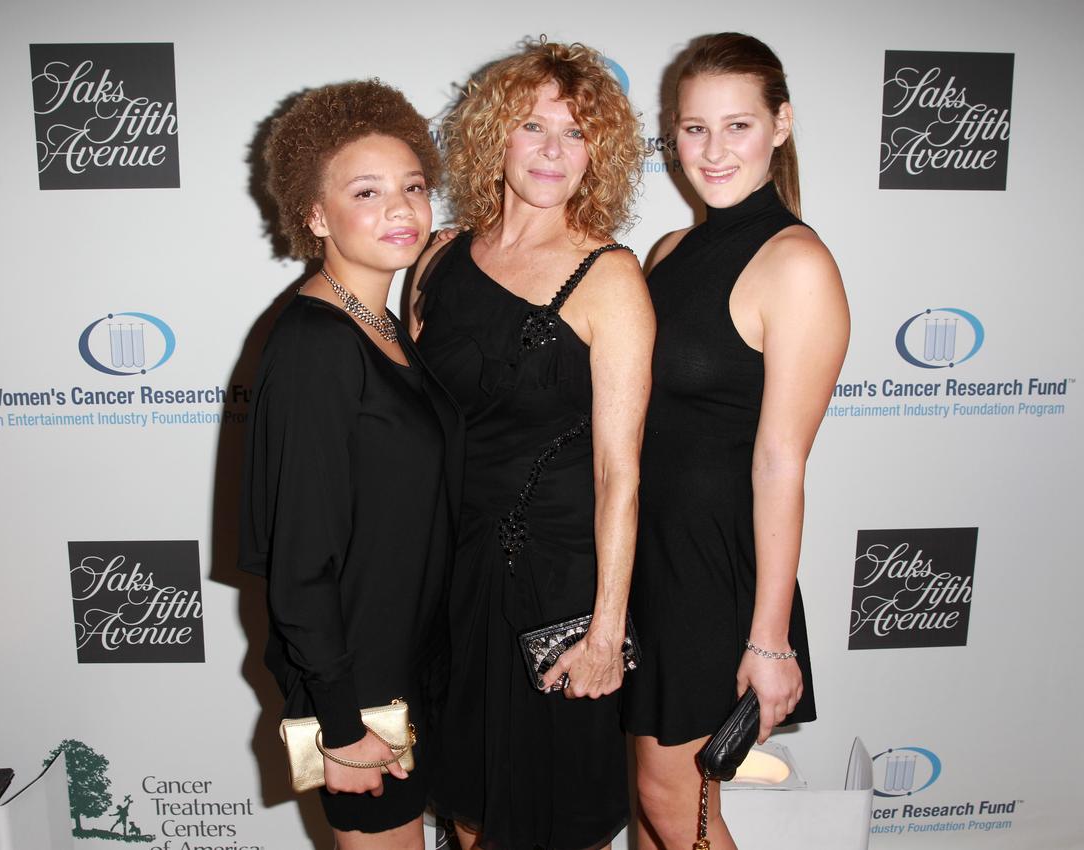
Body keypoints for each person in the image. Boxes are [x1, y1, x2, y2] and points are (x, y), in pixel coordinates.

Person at [410, 40, 654, 850]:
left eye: (577, 133)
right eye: (533, 126)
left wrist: (606, 631)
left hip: (556, 586)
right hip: (452, 575)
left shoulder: (609, 277)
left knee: (558, 816)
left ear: (601, 153)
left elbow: (622, 473)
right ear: (494, 137)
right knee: (470, 806)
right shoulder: (441, 258)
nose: (554, 150)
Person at [621, 33, 850, 850]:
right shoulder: (669, 252)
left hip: (714, 570)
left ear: (781, 125)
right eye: (692, 129)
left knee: (672, 794)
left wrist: (770, 637)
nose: (712, 151)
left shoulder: (797, 265)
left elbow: (781, 461)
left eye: (738, 126)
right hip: (644, 558)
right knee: (651, 802)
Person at [238, 80, 461, 850]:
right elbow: (299, 562)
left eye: (413, 187)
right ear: (314, 213)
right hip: (363, 696)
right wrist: (341, 724)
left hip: (415, 669)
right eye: (367, 192)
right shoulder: (314, 347)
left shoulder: (385, 328)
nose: (400, 209)